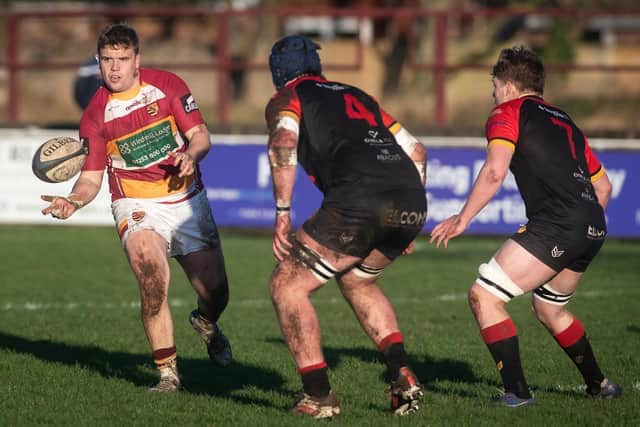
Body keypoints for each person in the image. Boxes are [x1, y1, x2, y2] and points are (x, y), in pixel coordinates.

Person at [40, 23, 232, 392]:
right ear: (98, 62)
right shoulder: (95, 115)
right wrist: (73, 200)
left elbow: (200, 136)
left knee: (216, 292)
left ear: (137, 60)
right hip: (136, 203)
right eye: (107, 60)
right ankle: (168, 374)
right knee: (151, 278)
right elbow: (92, 178)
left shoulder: (168, 86)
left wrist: (192, 155)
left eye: (122, 59)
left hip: (186, 200)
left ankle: (207, 323)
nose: (114, 68)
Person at [430, 46, 621, 407]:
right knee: (550, 309)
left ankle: (517, 393)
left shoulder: (508, 111)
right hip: (593, 224)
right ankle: (600, 384)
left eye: (494, 84)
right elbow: (604, 187)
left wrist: (463, 218)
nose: (492, 92)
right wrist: (584, 223)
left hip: (558, 224)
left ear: (509, 86)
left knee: (484, 295)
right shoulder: (566, 121)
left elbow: (494, 171)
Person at [265, 35, 428, 419]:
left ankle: (318, 396)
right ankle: (401, 372)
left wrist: (282, 212)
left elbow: (285, 141)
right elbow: (417, 151)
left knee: (286, 285)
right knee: (358, 279)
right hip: (410, 199)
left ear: (277, 72)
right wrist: (403, 218)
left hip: (359, 199)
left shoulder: (287, 97)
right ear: (316, 65)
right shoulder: (358, 95)